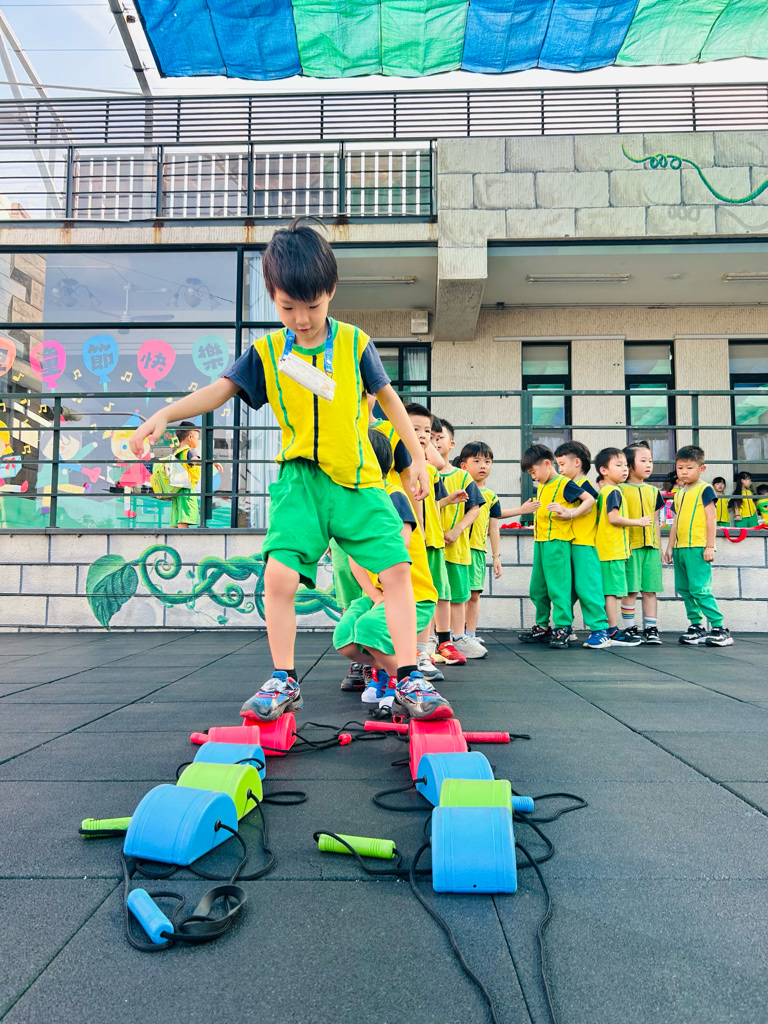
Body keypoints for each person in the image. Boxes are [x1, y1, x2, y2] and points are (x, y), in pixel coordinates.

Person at [129, 217, 452, 722]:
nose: (301, 319)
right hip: (300, 482)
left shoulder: (354, 343)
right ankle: (283, 679)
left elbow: (390, 400)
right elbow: (219, 390)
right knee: (278, 577)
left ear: (332, 291)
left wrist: (413, 461)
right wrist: (166, 414)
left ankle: (410, 675)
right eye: (287, 307)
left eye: (313, 306)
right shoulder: (267, 352)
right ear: (272, 298)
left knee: (396, 569)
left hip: (358, 480)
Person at [333, 429, 441, 715]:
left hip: (413, 596)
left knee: (368, 629)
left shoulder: (393, 495)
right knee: (345, 638)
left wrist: (385, 596)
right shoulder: (357, 503)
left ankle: (408, 684)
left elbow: (399, 546)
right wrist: (375, 596)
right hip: (381, 595)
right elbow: (355, 559)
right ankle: (386, 673)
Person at [461, 440, 539, 644]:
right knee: (456, 596)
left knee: (474, 595)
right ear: (464, 465)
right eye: (477, 461)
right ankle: (454, 635)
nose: (483, 465)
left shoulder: (491, 496)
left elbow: (493, 525)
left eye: (487, 461)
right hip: (457, 550)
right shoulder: (458, 491)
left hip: (477, 551)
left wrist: (496, 557)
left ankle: (470, 635)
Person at [663, 445, 733, 646]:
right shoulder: (679, 493)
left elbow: (711, 519)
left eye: (689, 468)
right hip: (680, 548)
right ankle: (696, 626)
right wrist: (670, 547)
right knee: (684, 589)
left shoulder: (705, 489)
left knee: (700, 589)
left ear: (702, 469)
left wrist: (710, 546)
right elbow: (676, 521)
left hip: (698, 547)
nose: (684, 472)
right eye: (680, 468)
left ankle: (720, 628)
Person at [403, 402, 449, 683]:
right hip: (404, 537)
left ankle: (423, 653)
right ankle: (405, 654)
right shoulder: (398, 459)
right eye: (414, 428)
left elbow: (439, 462)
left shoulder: (428, 466)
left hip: (427, 538)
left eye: (427, 431)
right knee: (403, 598)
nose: (422, 435)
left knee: (426, 597)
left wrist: (422, 439)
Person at [552, 440, 611, 650]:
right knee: (568, 590)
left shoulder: (583, 486)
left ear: (577, 462)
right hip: (571, 543)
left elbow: (589, 505)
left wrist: (569, 513)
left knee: (588, 588)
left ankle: (600, 631)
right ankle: (566, 628)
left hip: (584, 544)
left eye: (562, 464)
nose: (560, 469)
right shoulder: (572, 486)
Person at [517, 443, 576, 649]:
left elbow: (590, 500)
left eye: (534, 472)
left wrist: (569, 512)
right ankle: (542, 626)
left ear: (547, 464)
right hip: (541, 541)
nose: (533, 477)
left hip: (557, 542)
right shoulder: (542, 486)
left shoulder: (565, 483)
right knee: (538, 587)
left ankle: (563, 627)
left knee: (558, 588)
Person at [436, 424, 486, 659]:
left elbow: (475, 508)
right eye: (429, 436)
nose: (434, 441)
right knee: (432, 595)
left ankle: (457, 637)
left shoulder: (463, 476)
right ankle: (431, 641)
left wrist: (457, 530)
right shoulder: (421, 473)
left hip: (456, 548)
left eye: (439, 437)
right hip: (432, 547)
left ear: (451, 443)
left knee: (457, 595)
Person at [593, 447, 653, 645]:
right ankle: (612, 631)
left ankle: (609, 629)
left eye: (626, 465)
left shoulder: (605, 491)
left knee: (608, 591)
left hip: (606, 549)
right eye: (618, 465)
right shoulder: (613, 491)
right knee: (610, 592)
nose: (625, 469)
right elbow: (613, 518)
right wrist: (638, 522)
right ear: (603, 470)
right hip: (612, 550)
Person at [619, 441, 665, 644]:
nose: (649, 465)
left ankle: (651, 628)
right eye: (643, 461)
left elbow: (655, 521)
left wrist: (659, 547)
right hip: (630, 548)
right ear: (629, 465)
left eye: (650, 461)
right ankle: (629, 628)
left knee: (650, 590)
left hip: (651, 548)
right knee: (630, 590)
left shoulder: (654, 491)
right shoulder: (619, 490)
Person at [169, 422, 202, 529]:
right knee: (184, 519)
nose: (198, 441)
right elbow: (196, 461)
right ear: (190, 437)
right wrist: (212, 462)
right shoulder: (190, 451)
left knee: (176, 519)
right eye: (197, 438)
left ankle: (173, 539)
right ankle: (182, 539)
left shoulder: (177, 453)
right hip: (186, 489)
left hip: (176, 489)